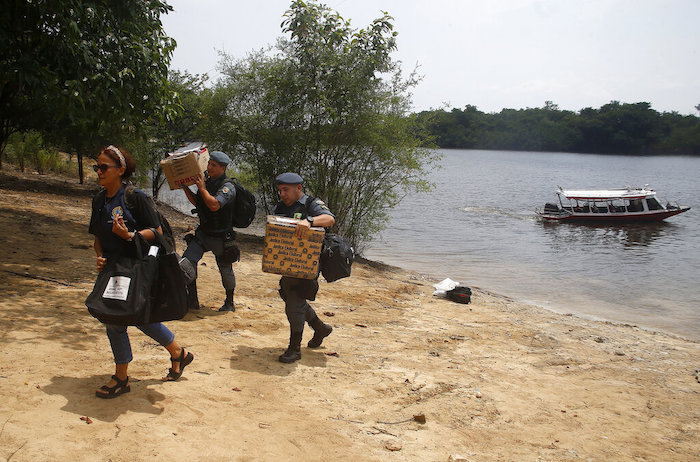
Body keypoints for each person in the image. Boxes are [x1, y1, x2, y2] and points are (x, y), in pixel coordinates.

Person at [89, 145, 193, 399]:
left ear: (120, 170)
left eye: (104, 167)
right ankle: (179, 353)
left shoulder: (136, 198)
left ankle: (121, 377)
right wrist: (100, 257)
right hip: (112, 267)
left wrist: (130, 234)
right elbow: (96, 236)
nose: (99, 172)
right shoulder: (99, 199)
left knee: (118, 318)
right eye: (97, 167)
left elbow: (157, 232)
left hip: (137, 267)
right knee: (135, 316)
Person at [272, 172, 335, 363]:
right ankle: (320, 328)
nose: (282, 194)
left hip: (308, 265)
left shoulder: (311, 204)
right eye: (280, 190)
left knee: (294, 303)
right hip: (287, 264)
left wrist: (309, 221)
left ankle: (294, 349)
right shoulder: (280, 207)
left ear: (298, 188)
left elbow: (330, 219)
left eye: (286, 190)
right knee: (291, 299)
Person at [181, 151, 239, 312]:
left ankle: (229, 302)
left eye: (214, 165)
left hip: (221, 236)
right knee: (187, 262)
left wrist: (201, 188)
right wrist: (185, 187)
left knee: (225, 268)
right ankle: (192, 301)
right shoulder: (206, 181)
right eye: (209, 163)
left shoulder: (228, 187)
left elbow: (214, 205)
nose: (209, 167)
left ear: (223, 168)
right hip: (203, 233)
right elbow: (198, 201)